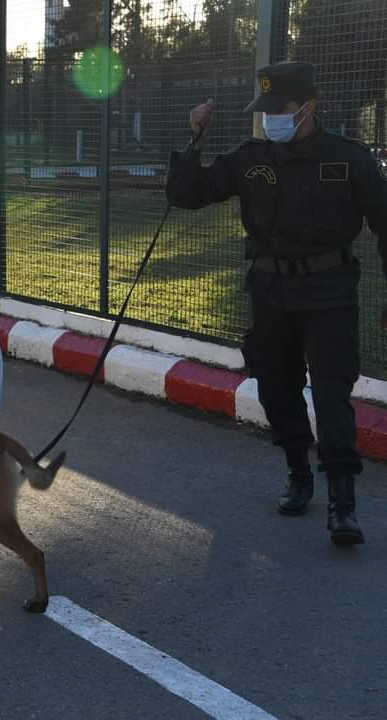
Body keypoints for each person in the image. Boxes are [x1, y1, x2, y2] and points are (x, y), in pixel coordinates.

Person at [166, 61, 387, 545]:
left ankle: (342, 501)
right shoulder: (250, 159)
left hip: (329, 293)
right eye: (264, 110)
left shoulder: (350, 159)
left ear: (309, 106)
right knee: (276, 389)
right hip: (270, 293)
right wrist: (194, 137)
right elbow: (186, 195)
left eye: (279, 109)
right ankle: (298, 474)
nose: (270, 119)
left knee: (331, 395)